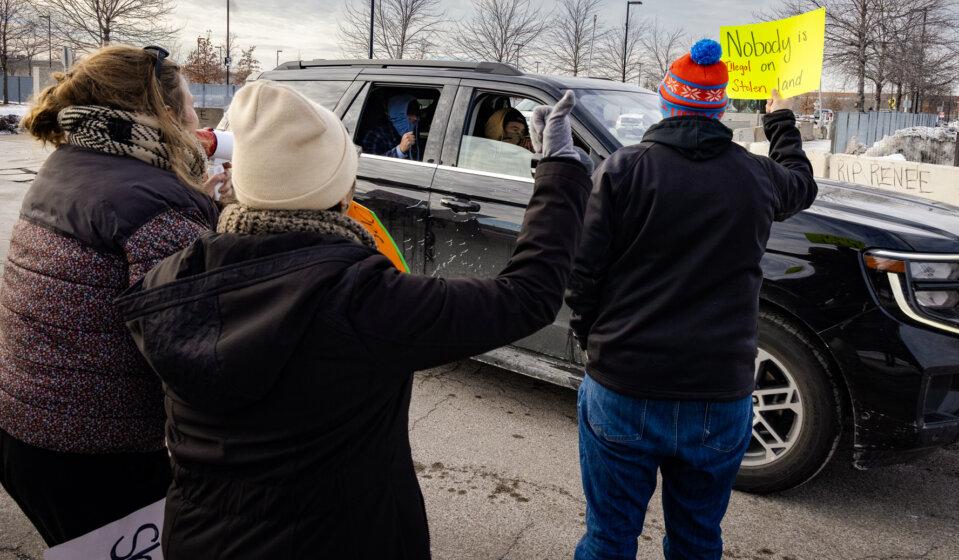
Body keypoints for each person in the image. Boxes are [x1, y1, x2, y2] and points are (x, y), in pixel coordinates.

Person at [116, 81, 591, 559]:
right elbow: (527, 297)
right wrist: (559, 174)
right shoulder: (362, 300)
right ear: (340, 189)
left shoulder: (172, 277)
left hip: (201, 538)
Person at [566, 39, 818, 560]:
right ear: (719, 108)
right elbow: (802, 185)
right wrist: (782, 121)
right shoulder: (757, 176)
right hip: (716, 393)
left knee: (608, 537)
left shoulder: (621, 170)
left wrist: (594, 341)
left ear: (667, 102)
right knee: (697, 539)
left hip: (623, 383)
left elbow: (582, 277)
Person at [0, 45, 227, 546]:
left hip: (29, 432)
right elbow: (194, 358)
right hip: (96, 455)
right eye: (189, 105)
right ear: (162, 113)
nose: (197, 117)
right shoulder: (154, 205)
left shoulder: (73, 163)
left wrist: (199, 208)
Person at [363, 94, 422, 159]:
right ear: (397, 113)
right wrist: (400, 150)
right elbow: (370, 164)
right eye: (410, 113)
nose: (415, 118)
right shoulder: (376, 135)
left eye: (417, 114)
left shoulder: (414, 133)